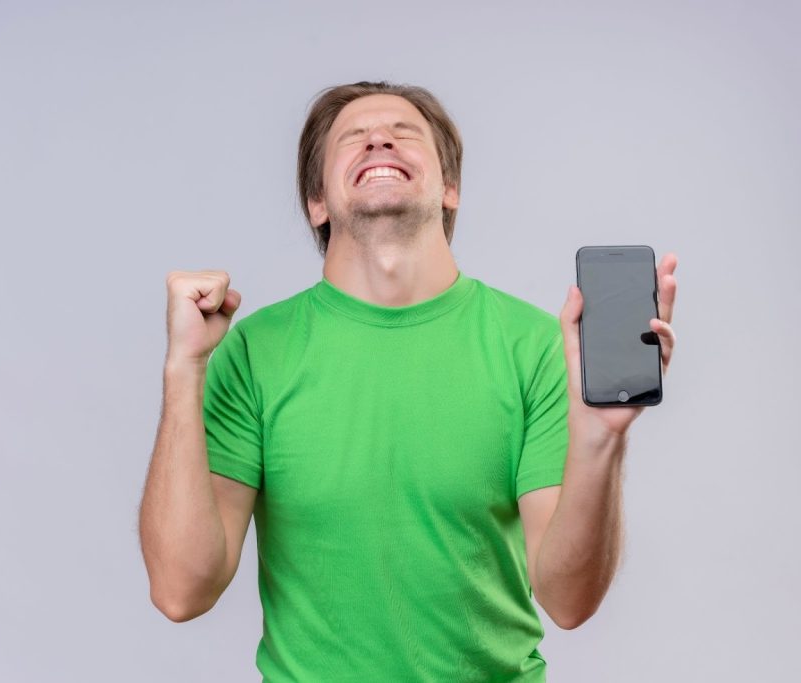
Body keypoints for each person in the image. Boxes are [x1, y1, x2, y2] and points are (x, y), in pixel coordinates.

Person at [138, 80, 678, 681]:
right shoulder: (253, 351)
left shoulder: (539, 346)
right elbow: (181, 592)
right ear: (318, 201)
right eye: (354, 137)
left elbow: (569, 602)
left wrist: (604, 439)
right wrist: (183, 370)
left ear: (449, 189)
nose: (378, 140)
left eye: (404, 133)